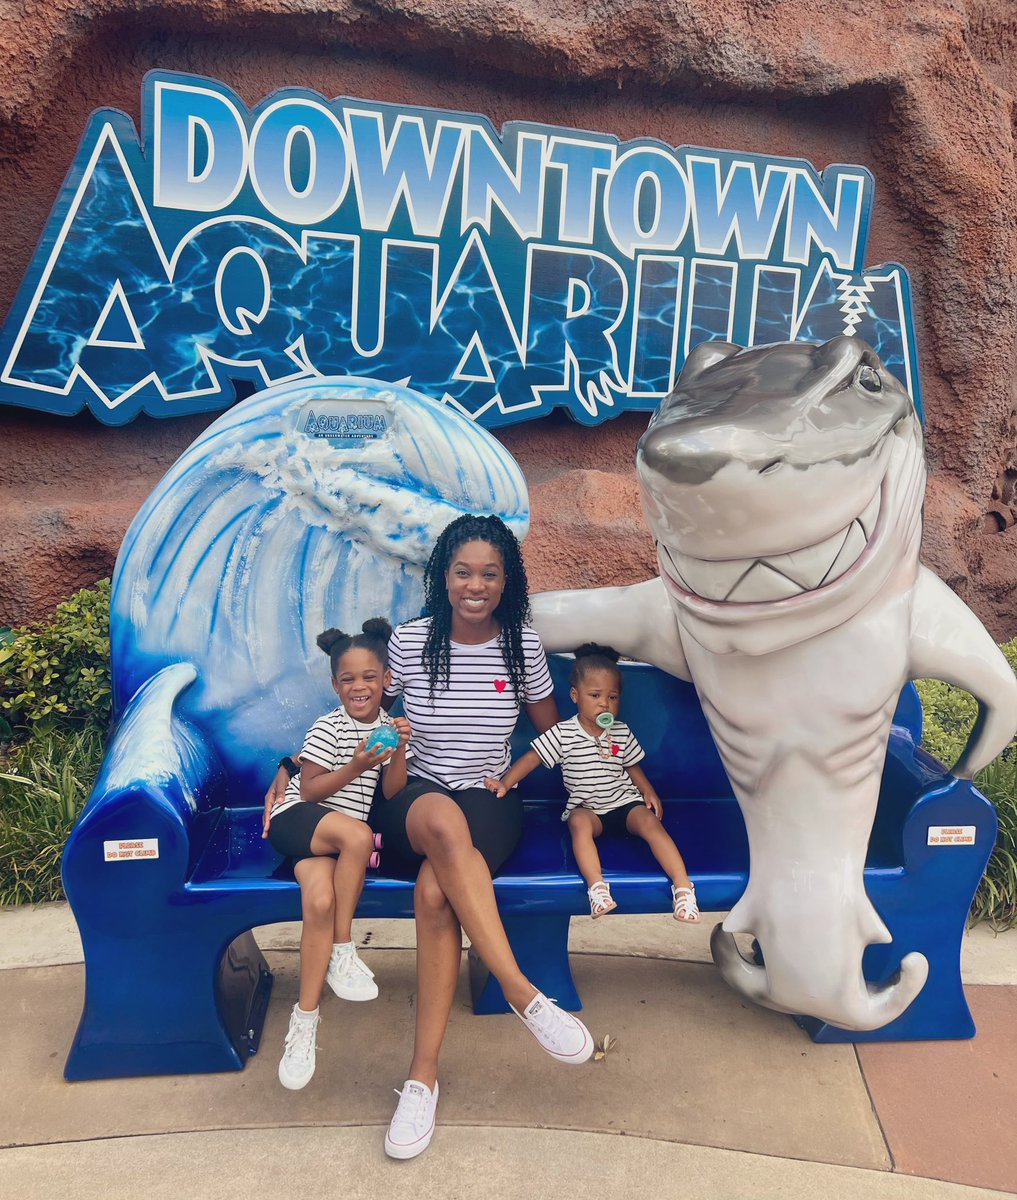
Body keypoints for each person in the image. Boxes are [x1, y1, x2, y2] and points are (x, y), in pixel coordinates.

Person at [261, 618, 410, 1091]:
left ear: (387, 679)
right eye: (348, 679)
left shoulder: (388, 728)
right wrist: (357, 763)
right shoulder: (329, 727)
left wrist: (399, 751)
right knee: (359, 837)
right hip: (297, 822)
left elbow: (391, 790)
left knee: (320, 903)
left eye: (369, 677)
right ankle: (343, 948)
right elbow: (309, 791)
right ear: (335, 685)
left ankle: (304, 1020)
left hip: (329, 840)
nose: (359, 686)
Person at [486, 642, 700, 923]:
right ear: (575, 696)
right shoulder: (563, 733)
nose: (604, 703)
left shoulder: (620, 731)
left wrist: (648, 792)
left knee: (651, 823)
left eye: (612, 697)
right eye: (595, 695)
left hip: (624, 804)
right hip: (588, 808)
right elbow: (533, 758)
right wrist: (505, 783)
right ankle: (597, 888)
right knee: (578, 823)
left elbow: (632, 766)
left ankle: (683, 888)